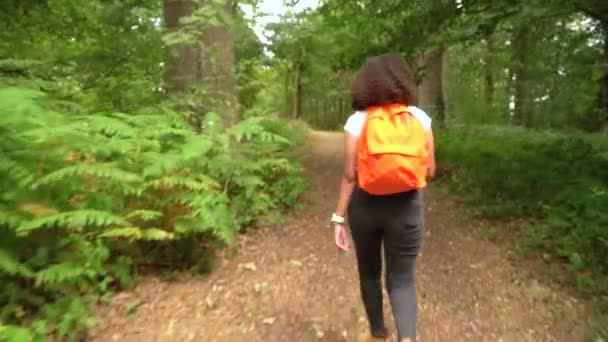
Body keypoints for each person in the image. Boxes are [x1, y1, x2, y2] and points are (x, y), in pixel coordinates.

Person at [330, 54, 436, 342]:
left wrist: (338, 217)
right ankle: (408, 339)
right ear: (403, 81)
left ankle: (378, 333)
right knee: (402, 280)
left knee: (369, 273)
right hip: (406, 209)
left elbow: (350, 174)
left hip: (365, 207)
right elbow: (430, 169)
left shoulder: (356, 121)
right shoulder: (419, 119)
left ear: (366, 84)